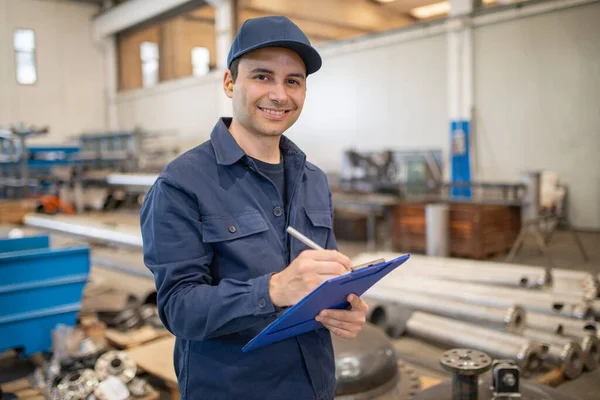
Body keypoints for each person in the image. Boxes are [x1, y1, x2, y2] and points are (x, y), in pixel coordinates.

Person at [140, 15, 369, 400]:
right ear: (229, 83)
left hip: (314, 385)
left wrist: (345, 306)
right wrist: (274, 289)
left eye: (292, 80)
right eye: (262, 76)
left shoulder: (313, 179)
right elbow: (179, 308)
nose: (279, 94)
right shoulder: (181, 184)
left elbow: (320, 277)